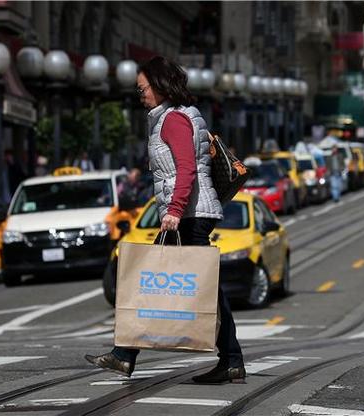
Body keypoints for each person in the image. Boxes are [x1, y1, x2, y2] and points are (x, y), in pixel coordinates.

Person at [85, 56, 246, 384]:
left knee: (164, 280)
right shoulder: (172, 117)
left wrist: (173, 210)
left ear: (160, 86)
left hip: (189, 214)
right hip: (191, 212)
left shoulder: (172, 119)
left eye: (143, 87)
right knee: (206, 289)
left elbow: (186, 169)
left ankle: (125, 354)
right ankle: (228, 359)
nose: (139, 93)